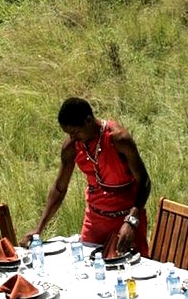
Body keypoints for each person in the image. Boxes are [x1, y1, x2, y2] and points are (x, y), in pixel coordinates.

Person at [21, 97, 151, 257]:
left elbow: (144, 181)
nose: (72, 138)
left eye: (75, 132)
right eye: (69, 133)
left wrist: (132, 221)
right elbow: (59, 188)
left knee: (134, 273)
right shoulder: (71, 146)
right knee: (89, 268)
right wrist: (38, 229)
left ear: (88, 121)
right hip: (95, 222)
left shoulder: (119, 139)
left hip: (127, 220)